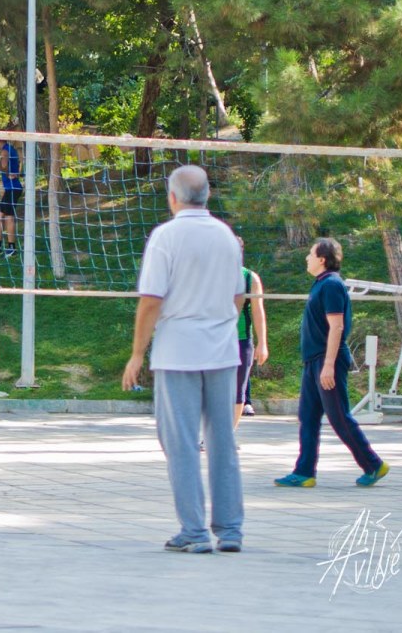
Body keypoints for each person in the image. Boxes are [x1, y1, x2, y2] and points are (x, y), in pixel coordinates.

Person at [121, 164, 245, 554]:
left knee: (181, 443)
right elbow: (239, 295)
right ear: (207, 195)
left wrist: (137, 354)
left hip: (178, 351)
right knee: (222, 440)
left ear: (173, 198)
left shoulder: (166, 236)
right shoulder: (226, 236)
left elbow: (151, 300)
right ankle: (230, 530)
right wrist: (220, 324)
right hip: (222, 350)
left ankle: (194, 530)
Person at [275, 239, 389, 488]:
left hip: (328, 360)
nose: (306, 258)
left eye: (310, 254)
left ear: (322, 259)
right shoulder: (321, 283)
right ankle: (304, 472)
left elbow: (336, 327)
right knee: (308, 417)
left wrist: (328, 365)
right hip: (313, 361)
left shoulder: (332, 285)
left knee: (339, 417)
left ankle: (373, 464)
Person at [234, 240, 268, 429]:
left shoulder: (250, 278)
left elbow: (258, 311)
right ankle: (213, 433)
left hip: (241, 340)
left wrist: (262, 343)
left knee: (237, 392)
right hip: (214, 340)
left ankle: (226, 435)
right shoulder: (210, 275)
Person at [0, 131, 22, 258]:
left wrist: (6, 171)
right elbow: (19, 163)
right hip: (10, 188)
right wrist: (15, 173)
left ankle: (11, 248)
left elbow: (4, 165)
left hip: (13, 188)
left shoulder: (5, 151)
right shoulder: (11, 149)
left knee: (9, 217)